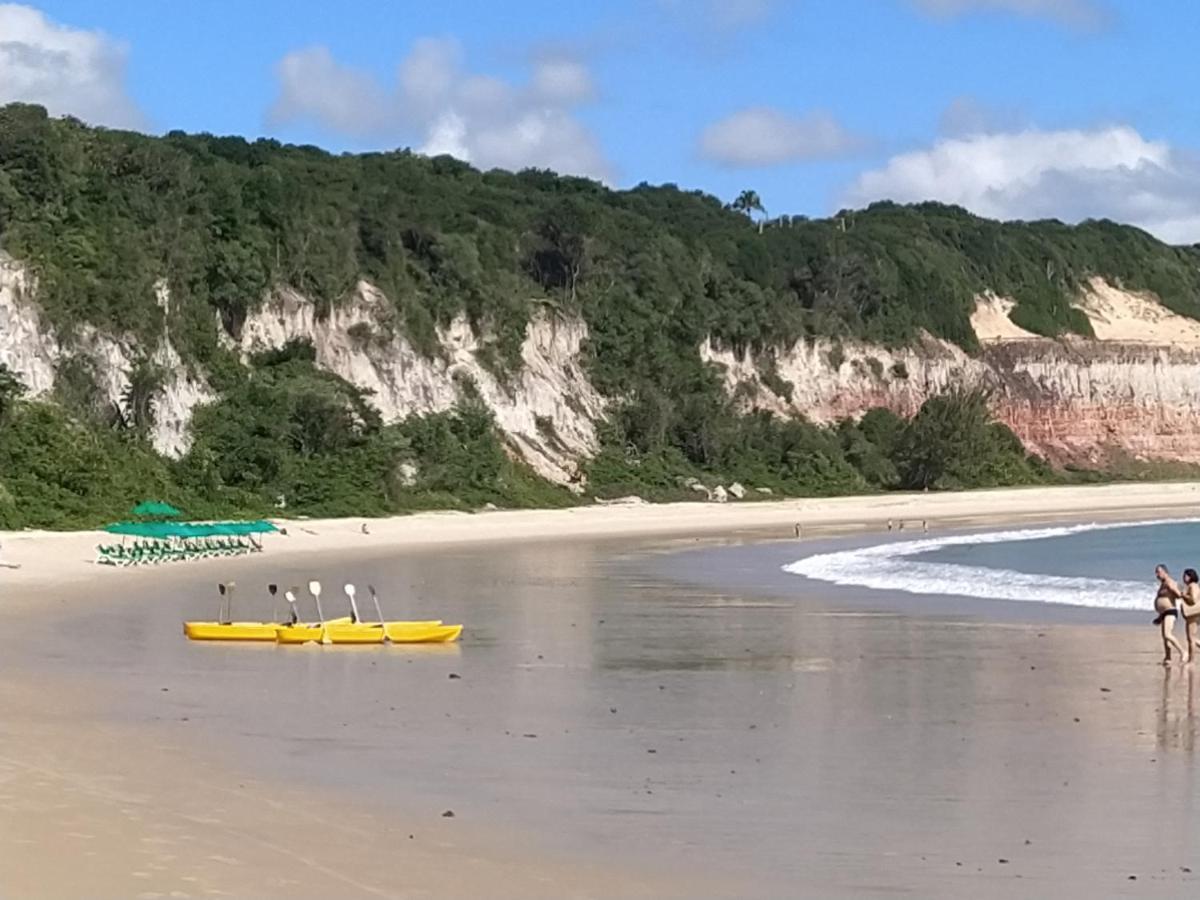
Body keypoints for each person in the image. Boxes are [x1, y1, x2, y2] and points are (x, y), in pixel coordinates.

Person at [1153, 564, 1185, 665]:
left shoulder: (1169, 582)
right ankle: (1168, 657)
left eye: (1159, 572)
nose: (1157, 575)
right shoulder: (1163, 584)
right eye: (1156, 573)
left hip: (1170, 611)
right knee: (1164, 637)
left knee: (1167, 634)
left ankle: (1183, 652)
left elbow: (1178, 595)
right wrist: (1159, 616)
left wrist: (1174, 590)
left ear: (1165, 572)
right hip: (1164, 613)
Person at [1180, 569, 1200, 664]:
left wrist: (1183, 595)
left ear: (1191, 577)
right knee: (1191, 637)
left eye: (1186, 576)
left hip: (1193, 614)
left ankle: (1191, 660)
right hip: (1193, 615)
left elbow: (1194, 599)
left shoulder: (1193, 586)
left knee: (1191, 638)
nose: (1184, 578)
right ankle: (1191, 659)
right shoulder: (1191, 586)